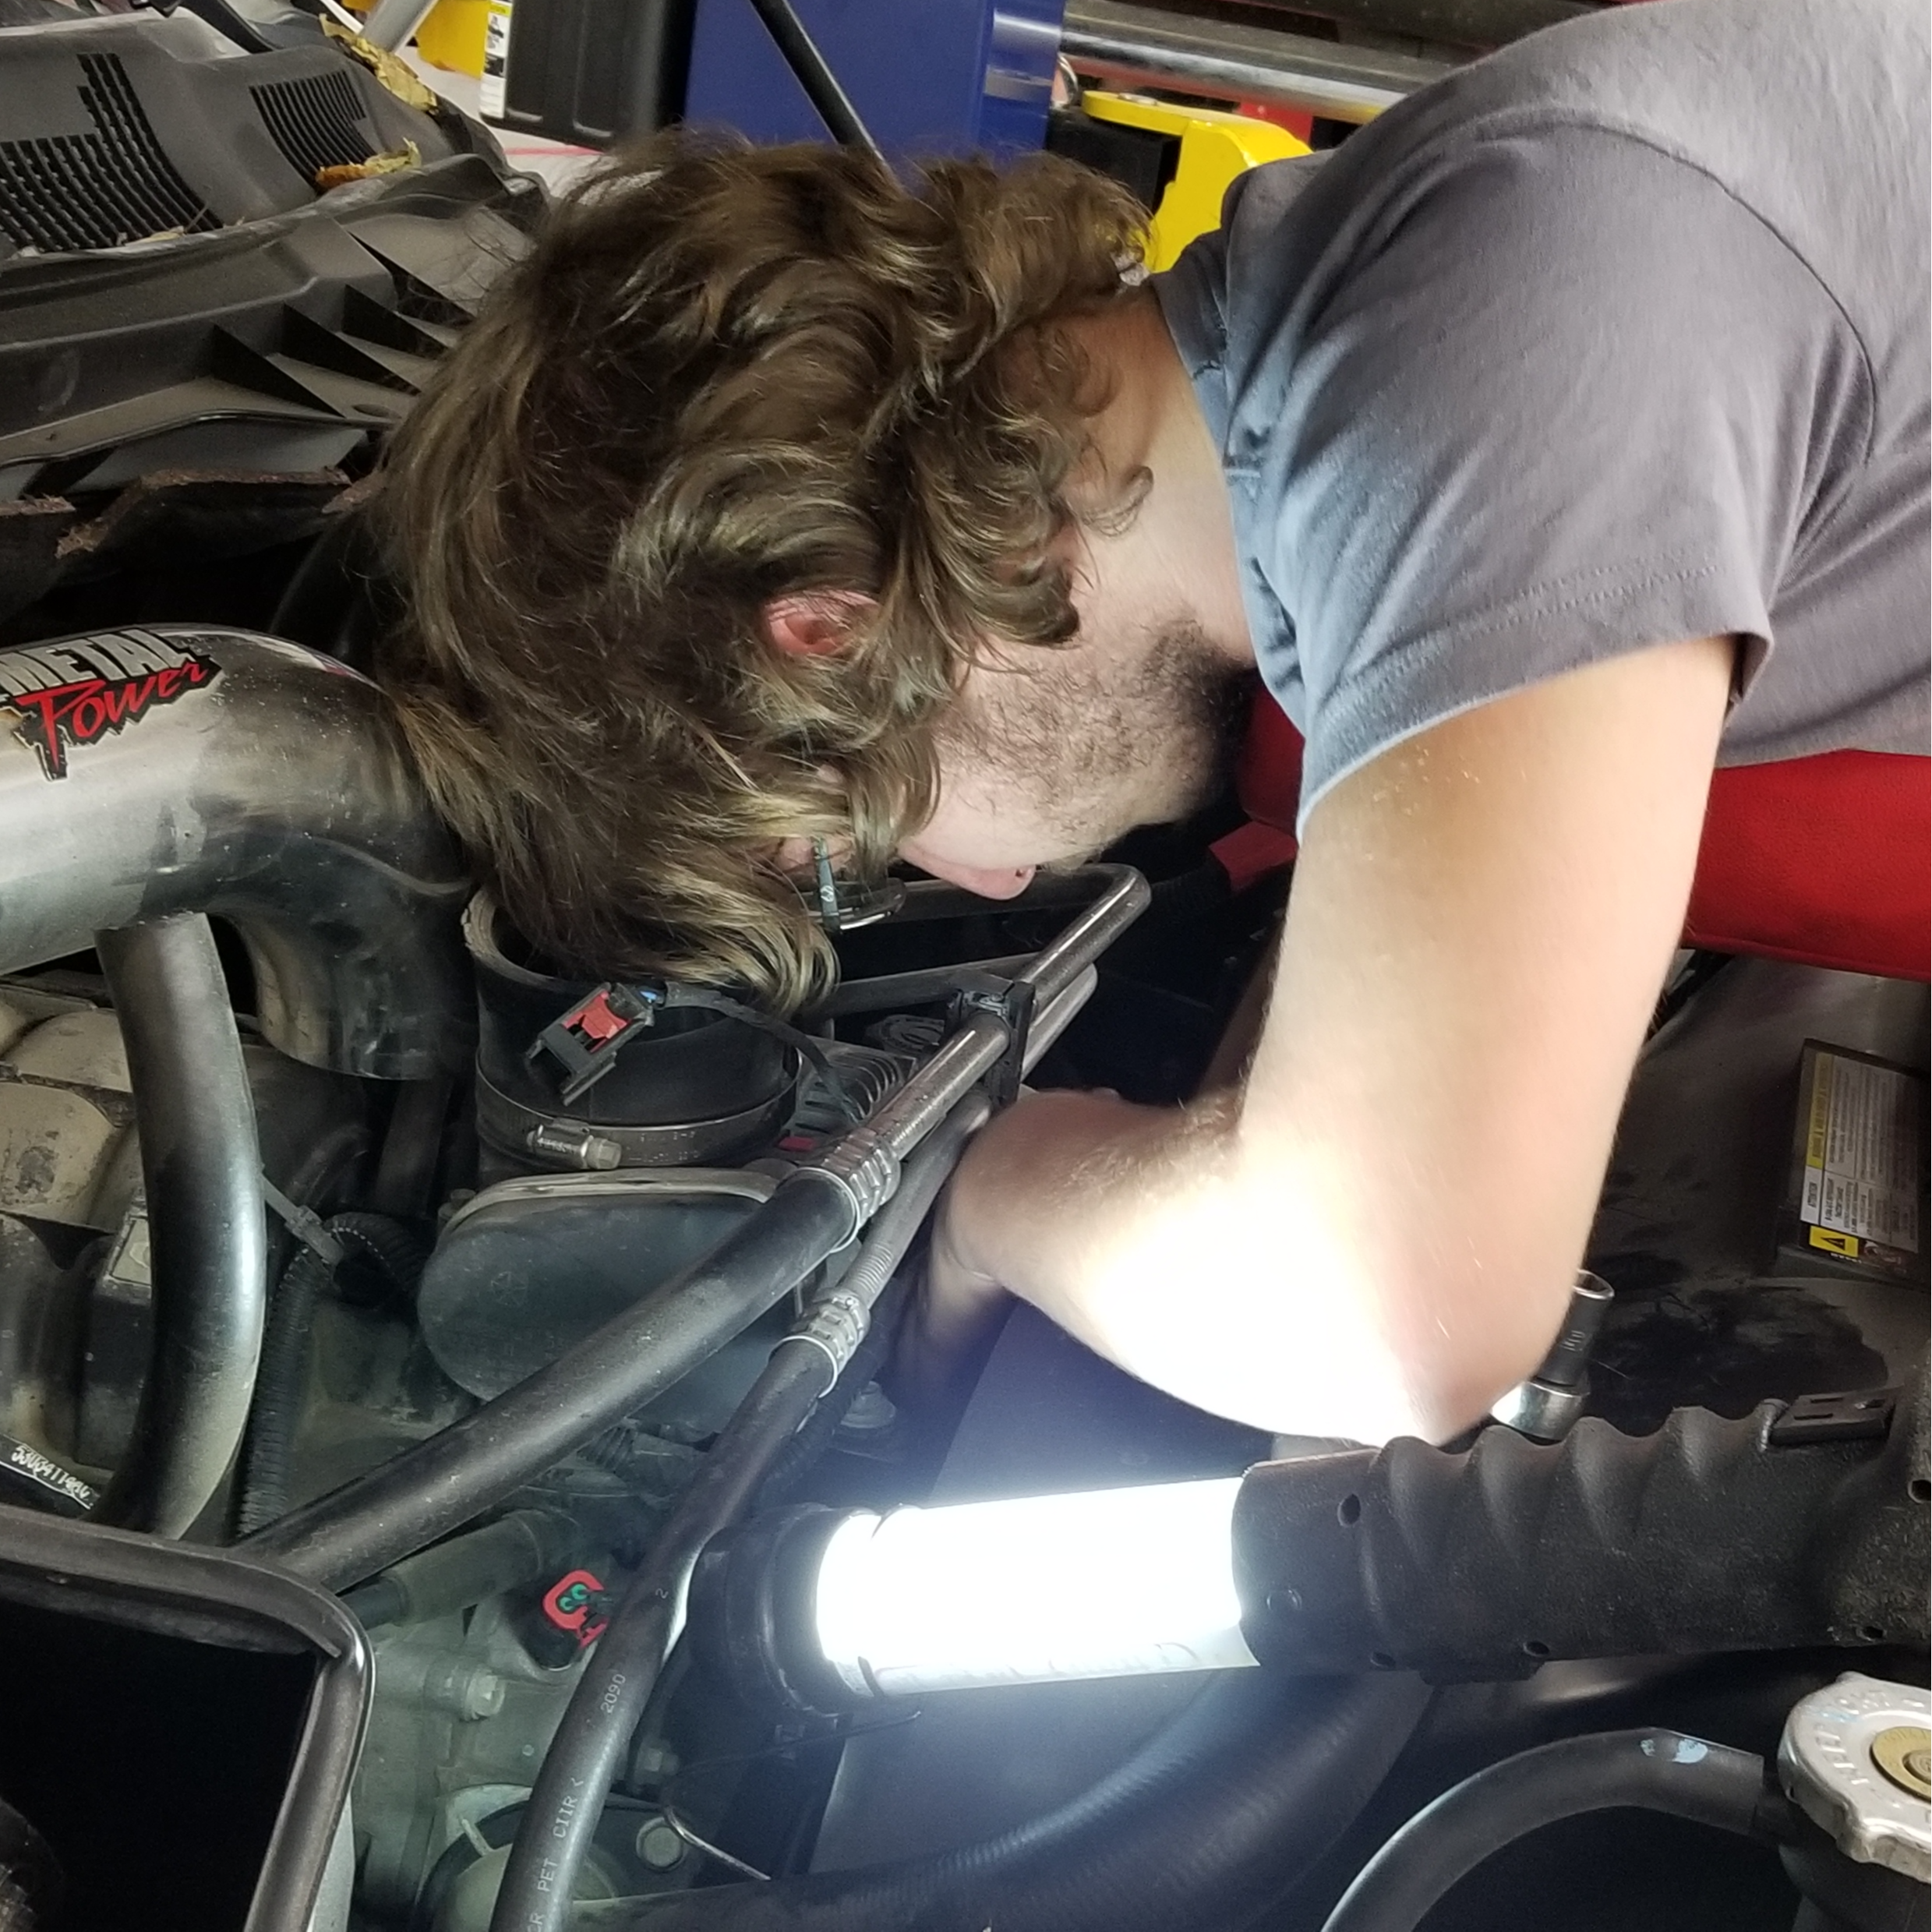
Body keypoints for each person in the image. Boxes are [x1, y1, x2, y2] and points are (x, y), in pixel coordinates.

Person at [380, 0, 1930, 1444]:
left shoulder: (1503, 317)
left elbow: (1388, 1310)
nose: (981, 886)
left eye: (856, 851)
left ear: (829, 632)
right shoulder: (1375, 346)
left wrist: (1005, 1192)